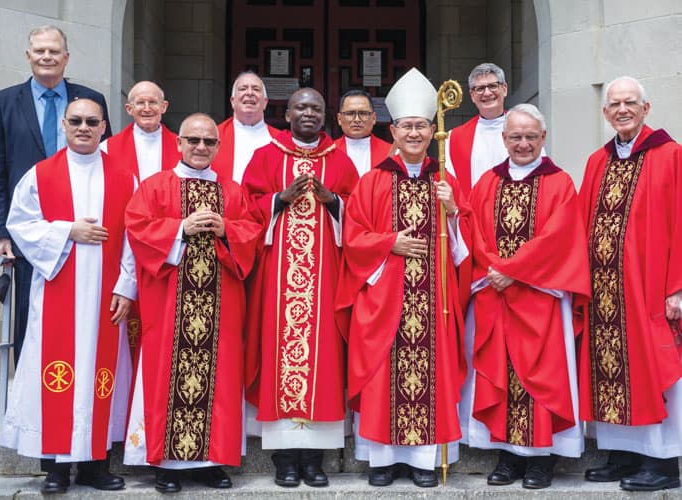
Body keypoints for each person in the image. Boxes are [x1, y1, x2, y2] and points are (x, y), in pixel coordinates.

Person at [337, 67, 471, 488]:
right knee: (381, 376)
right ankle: (382, 461)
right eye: (406, 126)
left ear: (433, 131)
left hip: (433, 302)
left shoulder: (445, 180)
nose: (414, 134)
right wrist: (388, 244)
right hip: (383, 301)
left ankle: (422, 463)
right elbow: (352, 236)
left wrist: (452, 211)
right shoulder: (373, 182)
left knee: (430, 375)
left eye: (421, 127)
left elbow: (466, 248)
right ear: (392, 131)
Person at [0, 98, 134, 495]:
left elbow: (133, 238)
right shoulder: (40, 175)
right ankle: (56, 467)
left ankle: (95, 464)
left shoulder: (124, 176)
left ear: (105, 126)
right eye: (76, 121)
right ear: (63, 125)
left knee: (101, 376)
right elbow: (19, 224)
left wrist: (126, 286)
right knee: (54, 378)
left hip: (106, 298)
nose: (84, 127)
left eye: (93, 121)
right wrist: (66, 232)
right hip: (58, 291)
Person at [123, 113, 261, 493]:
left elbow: (251, 232)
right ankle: (166, 464)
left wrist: (227, 230)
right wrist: (180, 228)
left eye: (209, 142)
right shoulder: (155, 186)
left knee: (219, 378)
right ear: (179, 143)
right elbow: (136, 228)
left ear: (218, 146)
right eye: (193, 140)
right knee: (167, 375)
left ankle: (210, 462)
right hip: (169, 303)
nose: (201, 148)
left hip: (222, 305)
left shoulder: (232, 191)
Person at [459, 103, 590, 489]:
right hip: (496, 297)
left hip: (540, 298)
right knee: (500, 371)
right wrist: (493, 270)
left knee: (542, 376)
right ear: (504, 139)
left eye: (531, 136)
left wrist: (510, 271)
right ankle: (508, 455)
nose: (522, 143)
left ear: (543, 138)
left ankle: (541, 460)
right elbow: (475, 230)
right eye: (515, 136)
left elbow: (558, 238)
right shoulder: (488, 182)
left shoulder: (560, 182)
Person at [242, 88, 358, 488]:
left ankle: (315, 459)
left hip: (325, 280)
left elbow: (359, 213)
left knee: (323, 357)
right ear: (287, 112)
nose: (308, 114)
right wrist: (277, 199)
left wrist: (333, 203)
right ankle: (284, 460)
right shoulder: (267, 155)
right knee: (280, 355)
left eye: (316, 109)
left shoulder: (339, 161)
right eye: (301, 107)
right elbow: (244, 208)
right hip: (279, 279)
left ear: (326, 116)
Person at [0, 25, 111, 365]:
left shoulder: (91, 101)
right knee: (31, 321)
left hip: (86, 229)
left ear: (66, 57)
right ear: (28, 56)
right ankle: (32, 406)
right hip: (31, 234)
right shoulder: (3, 103)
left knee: (85, 323)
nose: (46, 56)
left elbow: (106, 161)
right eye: (39, 50)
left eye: (54, 51)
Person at [578, 76, 682, 492]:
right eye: (614, 104)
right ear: (605, 113)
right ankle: (622, 454)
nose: (622, 109)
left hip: (651, 288)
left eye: (630, 103)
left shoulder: (670, 155)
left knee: (657, 370)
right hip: (605, 294)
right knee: (609, 371)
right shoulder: (596, 162)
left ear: (646, 108)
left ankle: (662, 462)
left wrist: (678, 286)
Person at [101, 80, 181, 363]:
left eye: (153, 102)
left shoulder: (183, 147)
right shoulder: (108, 149)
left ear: (164, 107)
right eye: (140, 103)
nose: (147, 108)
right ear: (128, 108)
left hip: (168, 250)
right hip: (123, 250)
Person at [444, 63, 508, 196]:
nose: (487, 93)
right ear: (472, 95)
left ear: (504, 89)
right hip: (473, 214)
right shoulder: (454, 138)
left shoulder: (525, 130)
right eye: (480, 88)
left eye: (493, 86)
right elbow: (451, 187)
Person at [211, 71, 278, 183]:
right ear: (233, 101)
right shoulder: (213, 136)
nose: (250, 93)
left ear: (265, 102)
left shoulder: (280, 140)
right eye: (243, 88)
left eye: (256, 89)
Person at [334, 89, 392, 176]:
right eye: (350, 113)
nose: (357, 119)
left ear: (373, 118)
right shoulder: (329, 152)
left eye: (363, 113)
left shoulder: (390, 152)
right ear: (339, 119)